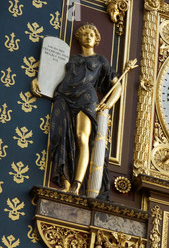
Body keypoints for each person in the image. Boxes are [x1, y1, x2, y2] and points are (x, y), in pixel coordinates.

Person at [32, 23, 122, 198]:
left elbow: (117, 86)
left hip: (86, 97)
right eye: (85, 34)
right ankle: (65, 181)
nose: (88, 37)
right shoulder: (71, 59)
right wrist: (38, 81)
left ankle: (77, 184)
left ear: (96, 40)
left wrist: (109, 103)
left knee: (82, 137)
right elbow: (52, 76)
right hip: (64, 96)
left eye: (92, 34)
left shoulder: (101, 60)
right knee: (61, 137)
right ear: (79, 38)